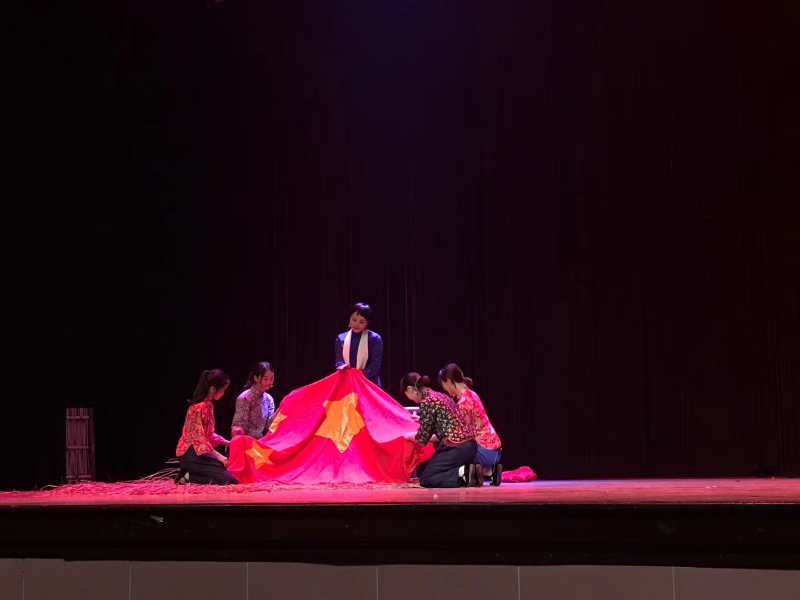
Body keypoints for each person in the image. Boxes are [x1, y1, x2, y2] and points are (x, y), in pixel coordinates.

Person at [401, 372, 476, 488]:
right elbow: (441, 431)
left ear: (410, 389)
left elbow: (422, 438)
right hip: (470, 446)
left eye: (407, 395)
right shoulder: (439, 396)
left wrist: (409, 436)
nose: (410, 399)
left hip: (455, 446)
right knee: (436, 471)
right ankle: (469, 471)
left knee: (427, 478)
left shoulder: (427, 401)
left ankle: (465, 474)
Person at [439, 363, 503, 486]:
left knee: (451, 450)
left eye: (444, 386)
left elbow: (454, 434)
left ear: (449, 381)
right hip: (495, 451)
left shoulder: (463, 403)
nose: (446, 390)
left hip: (484, 453)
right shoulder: (472, 394)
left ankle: (482, 471)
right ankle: (489, 470)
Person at [175, 369, 238, 485]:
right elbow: (199, 439)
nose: (223, 393)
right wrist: (220, 457)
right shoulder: (198, 408)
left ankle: (189, 475)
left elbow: (209, 434)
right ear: (213, 389)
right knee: (229, 480)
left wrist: (227, 443)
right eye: (223, 390)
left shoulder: (208, 406)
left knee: (226, 470)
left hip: (199, 454)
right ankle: (189, 476)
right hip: (192, 454)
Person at [335, 302, 383, 387]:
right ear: (349, 319)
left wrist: (357, 376)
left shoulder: (375, 339)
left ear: (367, 323)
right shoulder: (341, 338)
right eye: (354, 320)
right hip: (348, 382)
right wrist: (343, 368)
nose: (356, 324)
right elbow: (339, 362)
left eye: (361, 322)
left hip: (369, 383)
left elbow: (375, 366)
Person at [231, 361, 276, 439]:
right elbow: (238, 427)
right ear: (256, 378)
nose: (269, 382)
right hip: (245, 441)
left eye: (271, 378)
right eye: (265, 379)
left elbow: (270, 425)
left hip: (259, 441)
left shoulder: (269, 399)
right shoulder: (245, 398)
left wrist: (281, 408)